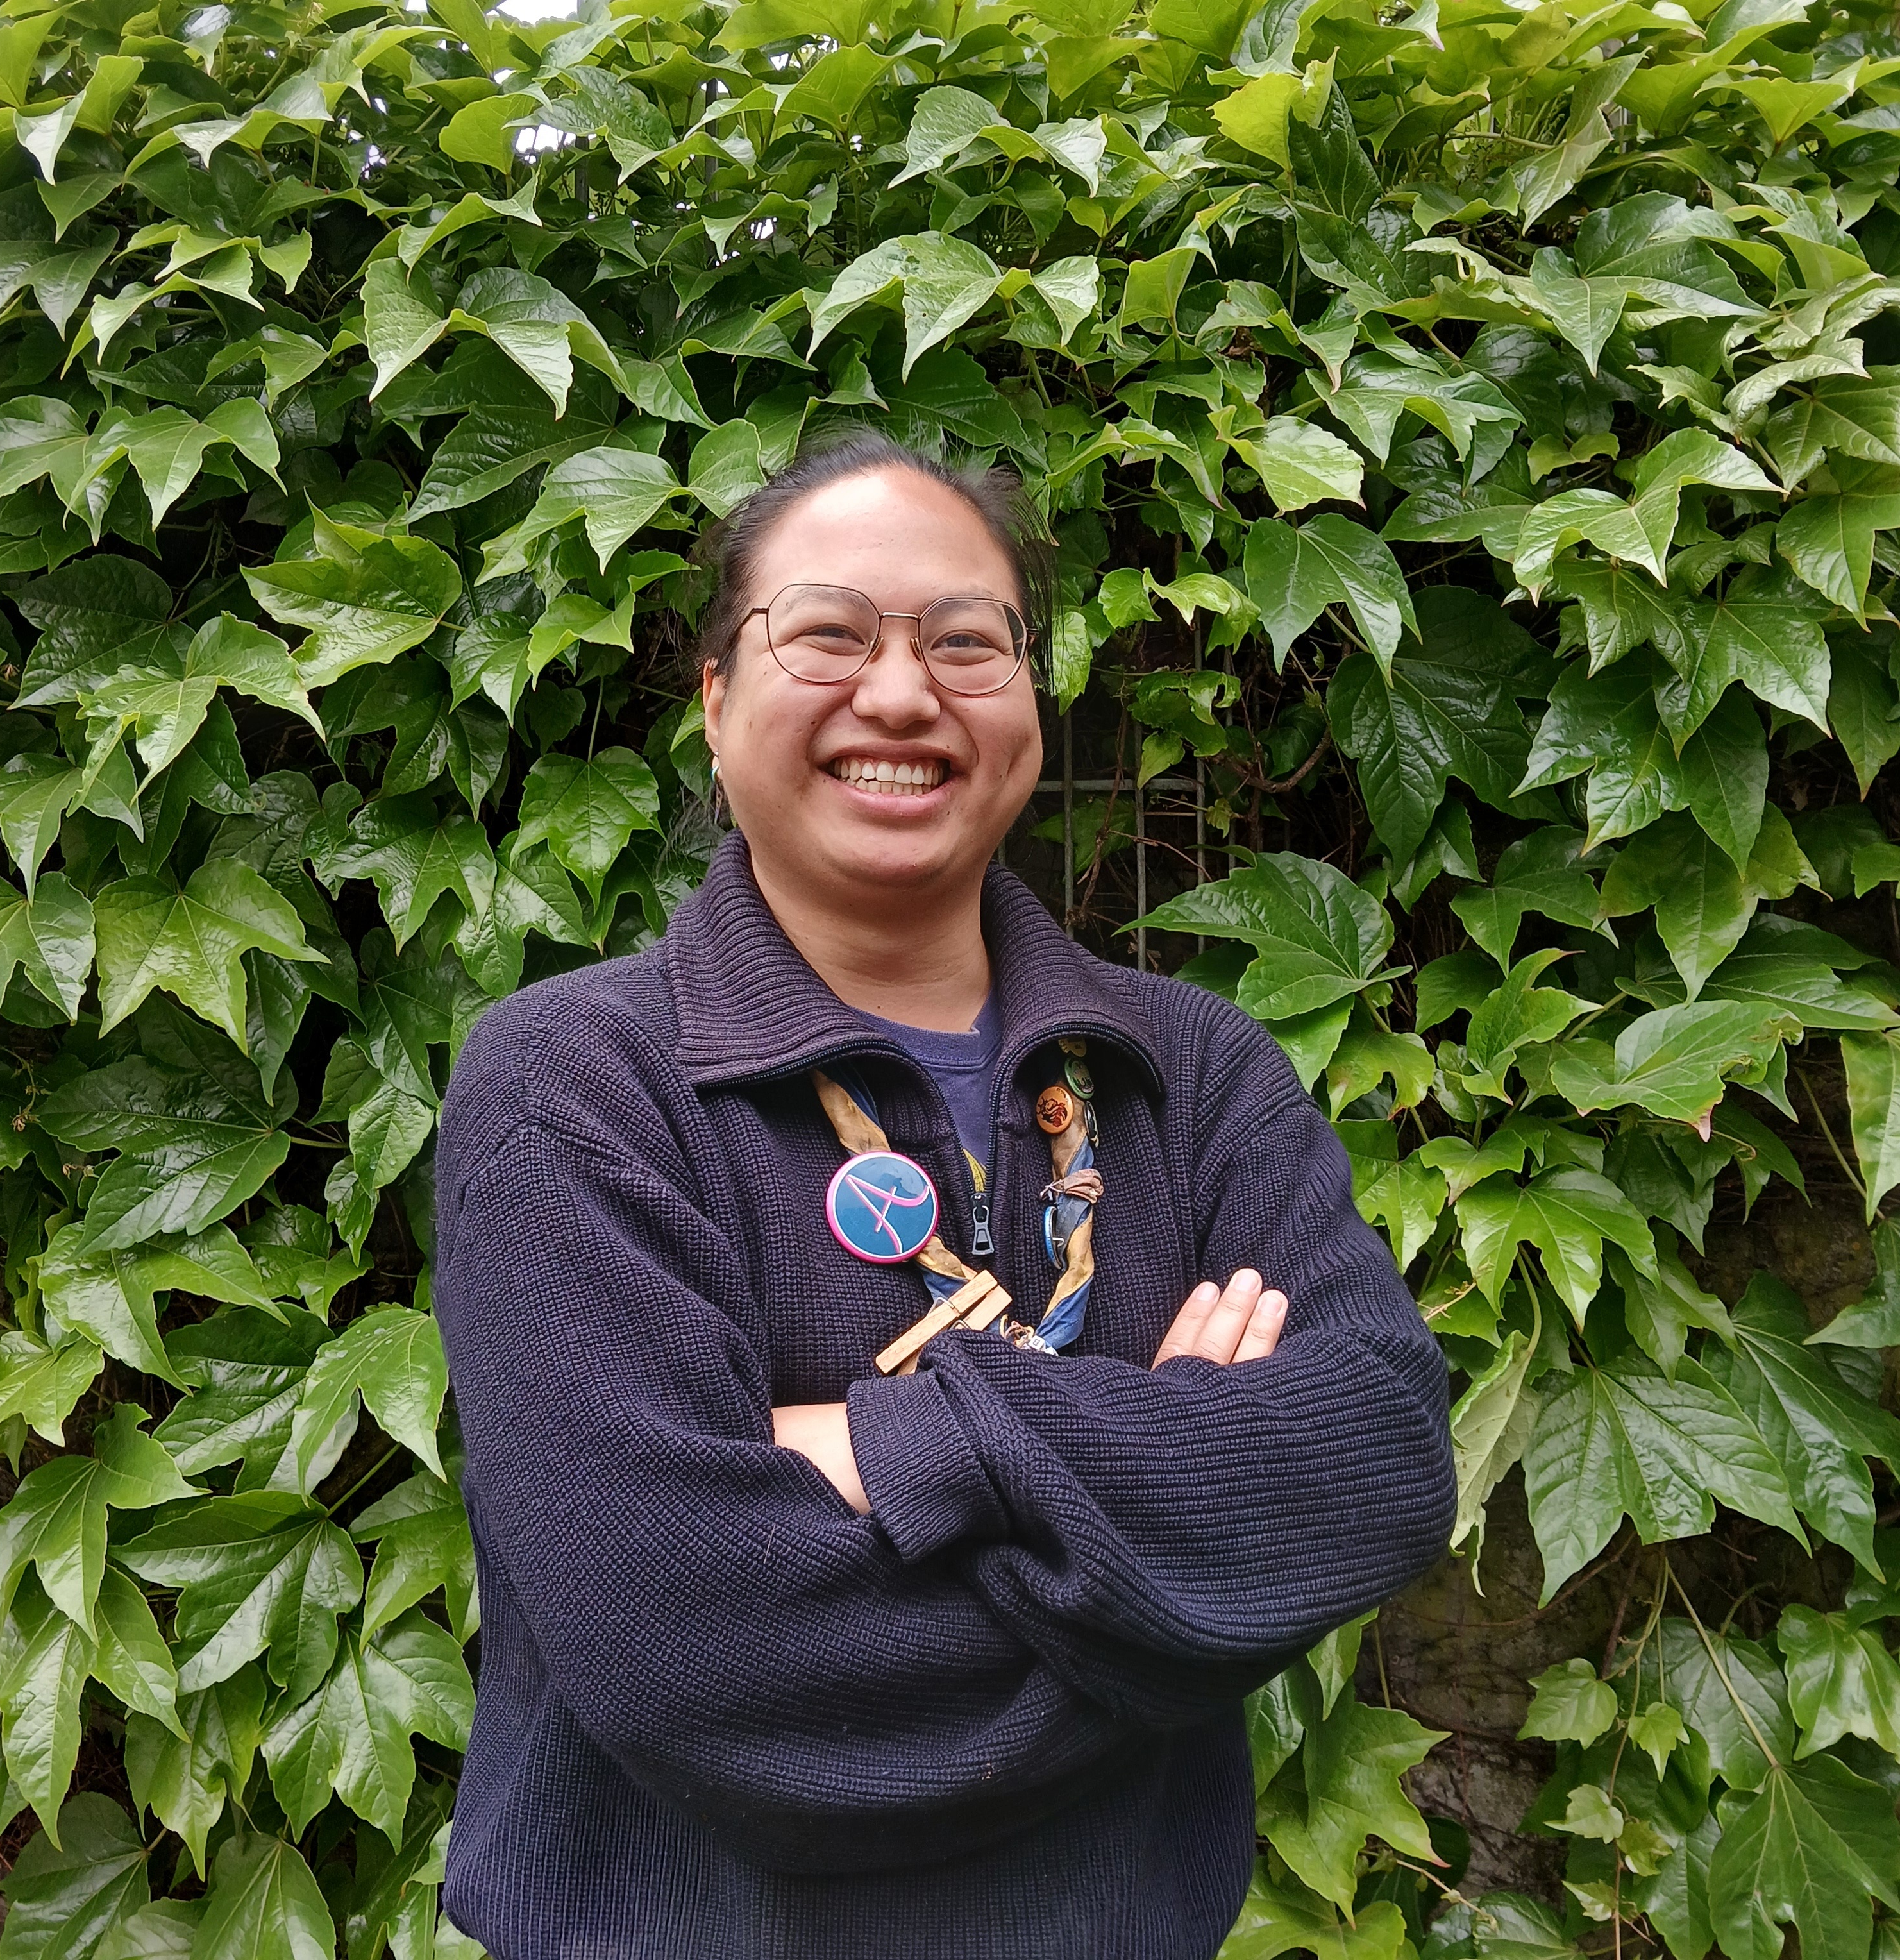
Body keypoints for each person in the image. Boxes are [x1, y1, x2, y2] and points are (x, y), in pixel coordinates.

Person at [432, 431, 1456, 1960]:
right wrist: (1179, 1519)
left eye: (967, 641)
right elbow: (695, 1663)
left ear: (1029, 699)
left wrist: (893, 1442)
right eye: (829, 634)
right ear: (716, 699)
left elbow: (1378, 1459)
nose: (903, 695)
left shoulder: (1192, 1072)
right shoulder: (574, 1087)